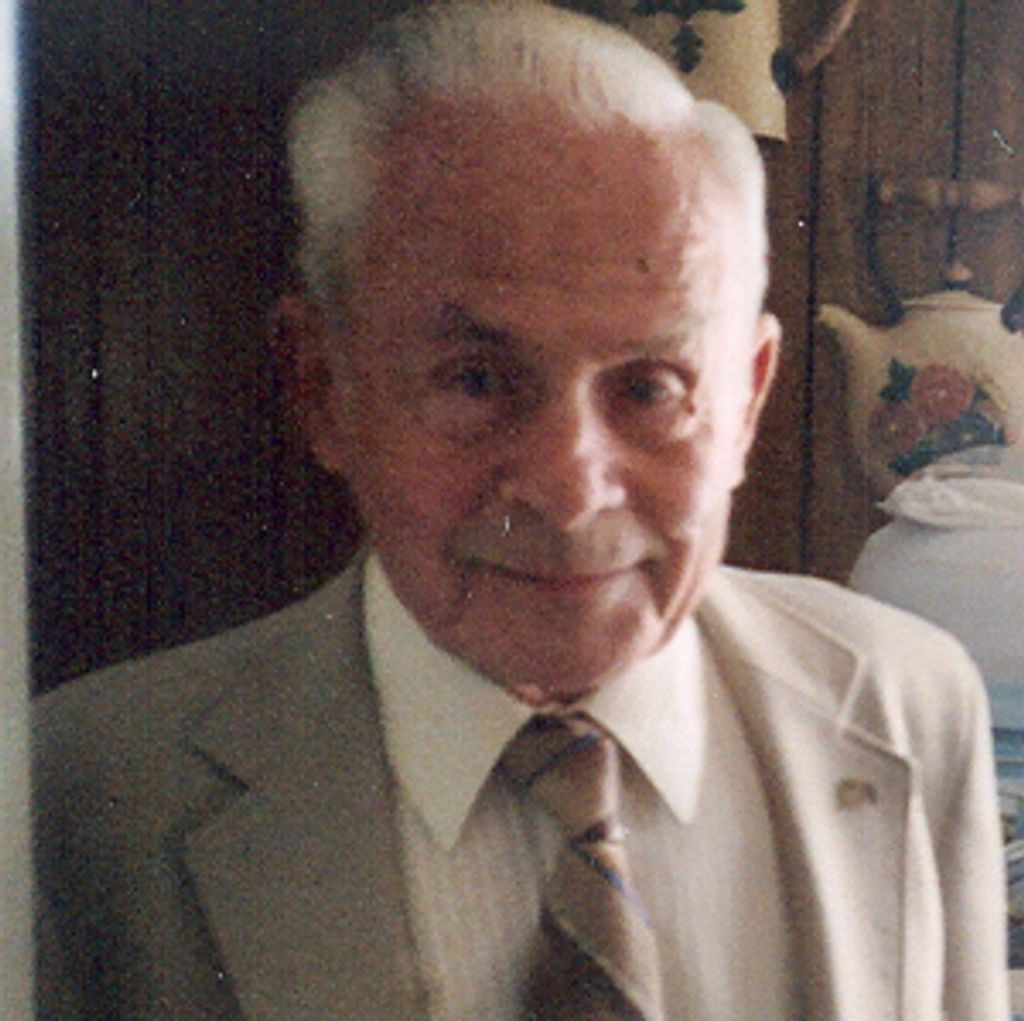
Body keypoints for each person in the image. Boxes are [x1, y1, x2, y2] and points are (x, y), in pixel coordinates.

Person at [33, 3, 1008, 1019]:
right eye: (475, 379)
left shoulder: (907, 707)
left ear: (747, 400)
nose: (571, 490)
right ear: (322, 387)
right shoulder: (77, 797)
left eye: (649, 387)